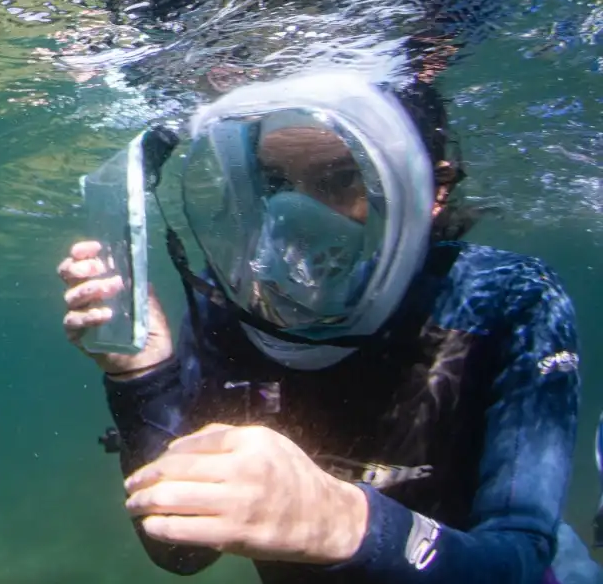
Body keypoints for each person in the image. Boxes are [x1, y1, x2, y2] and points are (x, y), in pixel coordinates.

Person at [57, 68, 598, 582]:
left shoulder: (509, 298)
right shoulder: (236, 305)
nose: (293, 217)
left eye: (340, 178)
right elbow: (182, 549)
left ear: (432, 191)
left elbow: (520, 561)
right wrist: (143, 375)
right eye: (275, 183)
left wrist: (344, 521)